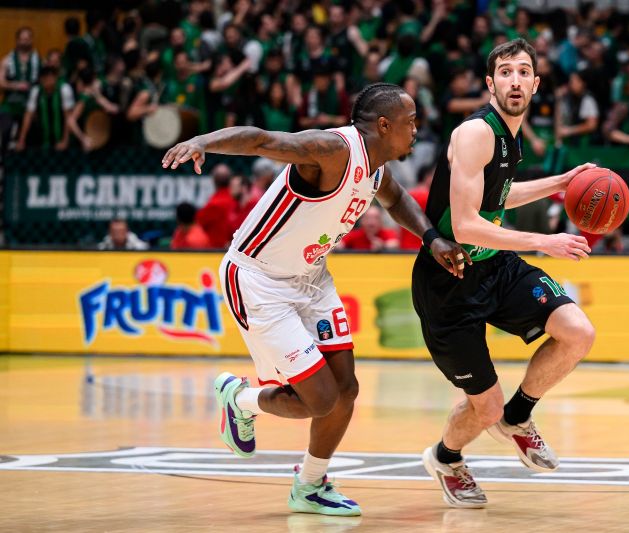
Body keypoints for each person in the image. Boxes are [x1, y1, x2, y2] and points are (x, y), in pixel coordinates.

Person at [161, 82, 466, 516]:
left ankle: (309, 486)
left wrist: (432, 238)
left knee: (347, 390)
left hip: (312, 280)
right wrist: (203, 141)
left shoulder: (377, 167)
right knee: (320, 399)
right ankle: (240, 398)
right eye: (410, 121)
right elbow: (265, 140)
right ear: (383, 125)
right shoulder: (333, 149)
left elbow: (396, 199)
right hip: (259, 280)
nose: (417, 129)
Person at [411, 39, 596, 508]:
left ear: (535, 84)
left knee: (577, 332)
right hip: (449, 279)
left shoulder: (511, 137)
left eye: (524, 71)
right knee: (483, 406)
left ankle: (517, 417)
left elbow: (498, 197)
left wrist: (561, 182)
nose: (516, 80)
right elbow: (469, 221)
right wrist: (545, 241)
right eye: (506, 72)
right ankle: (446, 457)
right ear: (491, 84)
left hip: (495, 265)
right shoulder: (476, 133)